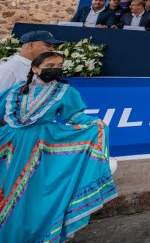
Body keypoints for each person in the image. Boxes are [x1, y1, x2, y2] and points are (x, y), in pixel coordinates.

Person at [0, 51, 117, 241]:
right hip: (10, 145)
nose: (56, 69)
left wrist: (94, 124)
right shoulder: (15, 90)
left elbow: (74, 116)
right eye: (50, 65)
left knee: (31, 193)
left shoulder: (65, 92)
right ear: (35, 68)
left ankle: (30, 234)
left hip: (41, 145)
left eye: (59, 66)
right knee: (6, 187)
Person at [0, 30, 64, 91]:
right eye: (47, 45)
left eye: (52, 46)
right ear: (30, 45)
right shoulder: (9, 69)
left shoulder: (41, 66)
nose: (52, 49)